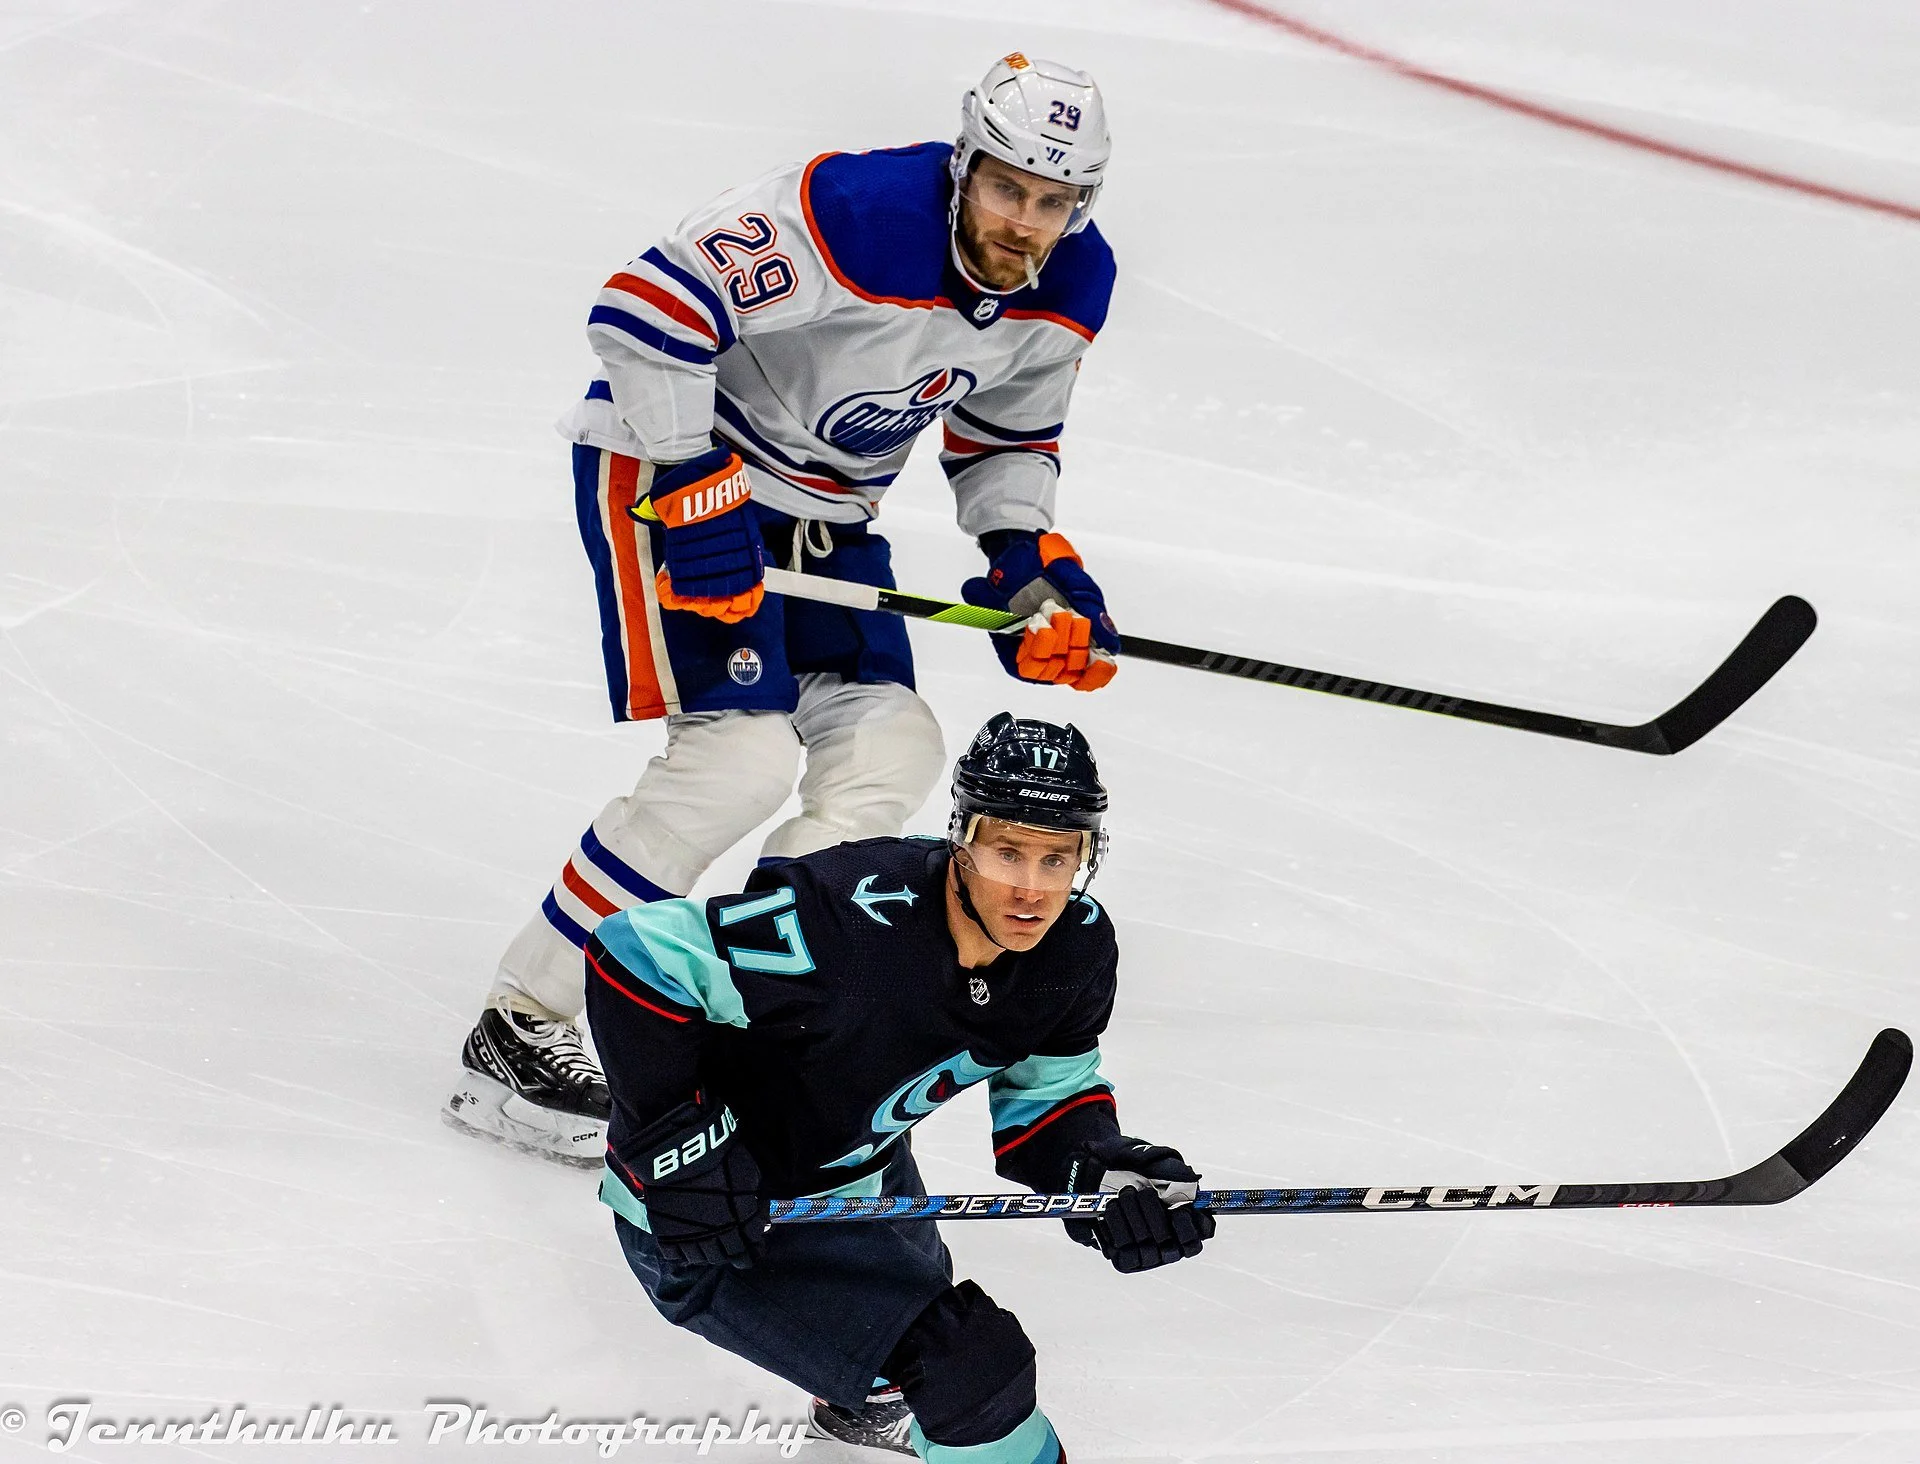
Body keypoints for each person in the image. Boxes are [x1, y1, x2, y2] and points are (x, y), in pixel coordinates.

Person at [445, 54, 1128, 1165]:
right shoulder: (851, 215)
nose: (1027, 223)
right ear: (965, 168)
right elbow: (646, 304)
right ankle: (521, 1029)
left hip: (825, 518)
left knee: (889, 745)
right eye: (1009, 190)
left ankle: (750, 1019)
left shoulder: (1071, 282)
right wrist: (691, 480)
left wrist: (1029, 565)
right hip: (671, 472)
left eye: (1055, 203)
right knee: (737, 764)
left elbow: (1006, 436)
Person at [583, 714, 1214, 1460]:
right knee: (970, 1370)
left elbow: (1047, 1104)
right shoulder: (841, 923)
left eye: (1057, 859)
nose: (1031, 890)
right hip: (721, 1221)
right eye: (1007, 851)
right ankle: (883, 1383)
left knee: (935, 1349)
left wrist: (1099, 1171)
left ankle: (868, 1396)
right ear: (961, 836)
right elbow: (634, 956)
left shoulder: (1072, 948)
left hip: (864, 1184)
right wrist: (678, 1151)